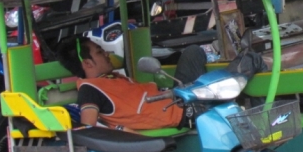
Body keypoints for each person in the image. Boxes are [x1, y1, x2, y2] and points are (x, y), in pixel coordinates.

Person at [57, 36, 206, 132]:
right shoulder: (89, 88)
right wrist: (120, 129)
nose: (107, 54)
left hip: (177, 97)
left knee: (193, 52)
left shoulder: (113, 77)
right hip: (182, 112)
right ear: (88, 63)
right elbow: (88, 128)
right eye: (100, 52)